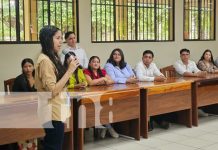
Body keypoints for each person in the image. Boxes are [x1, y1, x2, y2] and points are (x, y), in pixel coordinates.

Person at [35, 25, 79, 150]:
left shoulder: (52, 57)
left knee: (55, 145)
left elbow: (60, 81)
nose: (61, 41)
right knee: (53, 146)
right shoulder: (45, 61)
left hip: (57, 109)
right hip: (51, 112)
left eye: (61, 38)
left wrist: (68, 66)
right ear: (48, 39)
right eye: (58, 38)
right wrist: (69, 70)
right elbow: (53, 91)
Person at [84, 56, 118, 138]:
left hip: (103, 96)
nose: (96, 63)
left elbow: (112, 81)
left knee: (107, 108)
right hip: (91, 98)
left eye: (97, 62)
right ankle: (109, 128)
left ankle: (105, 128)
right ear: (89, 63)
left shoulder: (102, 71)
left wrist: (105, 81)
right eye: (93, 61)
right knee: (101, 110)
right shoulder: (86, 71)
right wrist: (103, 79)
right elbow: (91, 83)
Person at [135, 50, 170, 130]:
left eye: (149, 57)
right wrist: (155, 78)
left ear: (152, 59)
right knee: (149, 103)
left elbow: (160, 74)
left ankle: (158, 119)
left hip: (151, 89)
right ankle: (149, 121)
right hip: (141, 91)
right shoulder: (139, 65)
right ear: (142, 58)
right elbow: (140, 78)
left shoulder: (153, 65)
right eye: (145, 57)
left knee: (158, 101)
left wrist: (161, 76)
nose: (147, 59)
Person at [174, 48, 208, 117]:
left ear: (189, 55)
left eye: (187, 54)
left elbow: (197, 71)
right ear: (180, 56)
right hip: (180, 85)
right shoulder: (177, 63)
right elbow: (184, 73)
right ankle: (191, 111)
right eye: (183, 55)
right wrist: (197, 75)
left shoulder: (192, 62)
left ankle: (196, 109)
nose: (185, 56)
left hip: (191, 84)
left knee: (202, 91)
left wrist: (203, 73)